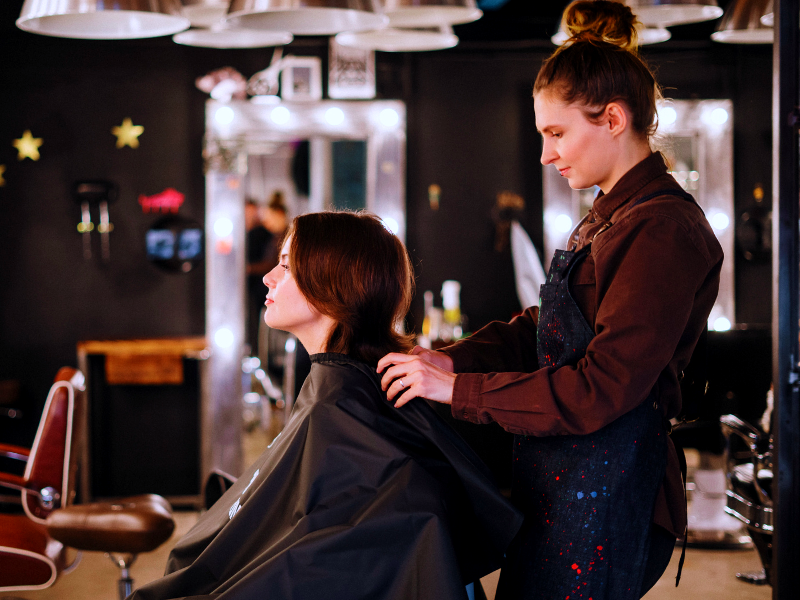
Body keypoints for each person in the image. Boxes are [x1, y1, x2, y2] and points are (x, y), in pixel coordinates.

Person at [378, 2, 724, 599]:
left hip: (608, 493)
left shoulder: (662, 229)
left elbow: (604, 385)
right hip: (564, 477)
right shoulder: (609, 218)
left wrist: (460, 391)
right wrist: (451, 361)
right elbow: (547, 326)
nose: (545, 153)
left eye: (556, 133)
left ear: (613, 118)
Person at [130, 211, 522, 600]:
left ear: (331, 285)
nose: (268, 277)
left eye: (286, 265)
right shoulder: (344, 395)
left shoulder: (340, 404)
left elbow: (313, 561)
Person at [245, 198, 273, 353]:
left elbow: (270, 263)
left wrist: (248, 268)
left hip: (260, 288)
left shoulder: (262, 234)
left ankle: (257, 353)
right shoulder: (244, 234)